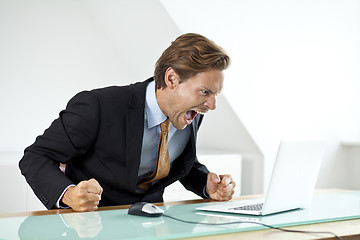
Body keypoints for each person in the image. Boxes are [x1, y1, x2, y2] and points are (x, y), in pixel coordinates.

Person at [19, 33, 236, 212]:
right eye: (205, 92)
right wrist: (68, 194)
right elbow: (35, 157)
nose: (212, 105)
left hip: (151, 224)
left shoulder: (190, 114)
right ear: (171, 79)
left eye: (216, 94)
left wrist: (206, 184)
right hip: (89, 225)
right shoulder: (99, 106)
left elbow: (179, 161)